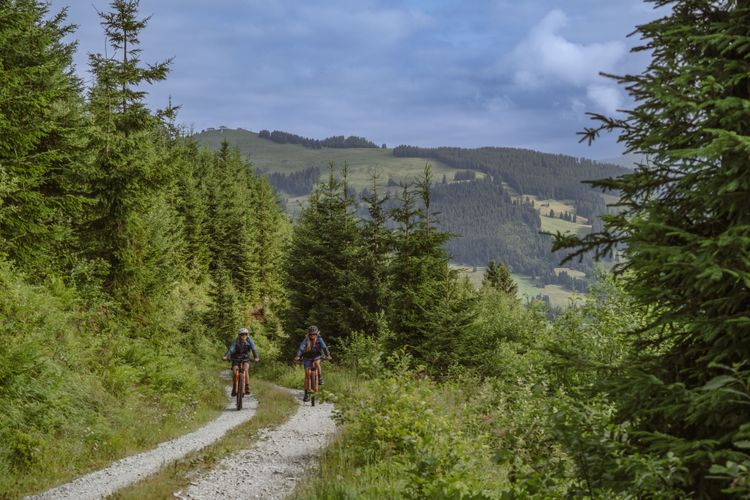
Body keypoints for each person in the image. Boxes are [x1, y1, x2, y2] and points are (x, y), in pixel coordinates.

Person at [294, 325, 332, 400]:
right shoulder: (306, 339)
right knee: (307, 374)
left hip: (317, 357)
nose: (312, 336)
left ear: (317, 334)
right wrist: (298, 356)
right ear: (308, 334)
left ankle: (320, 377)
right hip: (307, 358)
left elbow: (324, 347)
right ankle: (306, 394)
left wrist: (328, 355)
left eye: (314, 334)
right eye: (311, 334)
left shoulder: (319, 339)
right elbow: (301, 348)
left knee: (317, 363)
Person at [223, 327, 259, 396]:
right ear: (239, 335)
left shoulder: (249, 341)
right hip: (236, 358)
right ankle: (234, 388)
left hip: (246, 358)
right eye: (242, 334)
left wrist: (256, 357)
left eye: (245, 334)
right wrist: (226, 356)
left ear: (247, 335)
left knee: (245, 370)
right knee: (235, 372)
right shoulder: (235, 341)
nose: (244, 336)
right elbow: (231, 350)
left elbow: (254, 349)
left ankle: (247, 387)